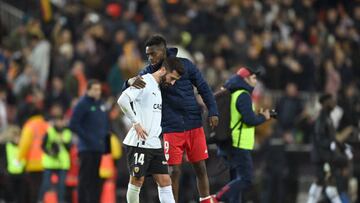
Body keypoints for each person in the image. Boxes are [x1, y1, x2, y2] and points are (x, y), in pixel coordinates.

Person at [124, 35, 219, 203]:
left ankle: (206, 200)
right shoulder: (149, 71)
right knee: (173, 171)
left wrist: (213, 110)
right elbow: (133, 87)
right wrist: (129, 82)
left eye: (153, 54)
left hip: (193, 123)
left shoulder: (186, 65)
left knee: (200, 167)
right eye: (148, 55)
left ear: (163, 51)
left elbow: (203, 87)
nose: (150, 58)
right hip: (170, 126)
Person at [118, 57, 184, 203]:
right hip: (139, 142)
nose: (172, 83)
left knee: (165, 180)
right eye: (172, 78)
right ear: (163, 70)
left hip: (154, 143)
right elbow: (122, 100)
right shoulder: (145, 82)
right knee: (137, 180)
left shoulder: (158, 87)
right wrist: (135, 122)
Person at [212, 67, 271, 203]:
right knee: (246, 178)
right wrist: (264, 117)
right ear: (245, 79)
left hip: (229, 142)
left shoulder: (233, 93)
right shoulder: (243, 95)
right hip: (238, 144)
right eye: (253, 77)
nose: (256, 80)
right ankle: (216, 198)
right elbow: (250, 120)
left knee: (235, 180)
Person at [69, 79, 110, 203]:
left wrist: (106, 144)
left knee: (95, 178)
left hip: (98, 147)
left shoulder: (101, 104)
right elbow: (73, 124)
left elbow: (105, 125)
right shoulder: (82, 104)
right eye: (95, 89)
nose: (98, 92)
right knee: (85, 178)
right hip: (86, 148)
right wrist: (86, 137)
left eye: (99, 90)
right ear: (88, 90)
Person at [307, 94, 342, 203]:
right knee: (322, 181)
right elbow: (319, 137)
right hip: (321, 157)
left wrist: (341, 146)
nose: (333, 103)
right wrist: (330, 144)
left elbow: (331, 137)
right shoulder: (322, 117)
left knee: (325, 181)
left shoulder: (328, 117)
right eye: (331, 101)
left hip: (325, 156)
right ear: (325, 103)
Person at [38, 112, 72, 203]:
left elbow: (69, 147)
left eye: (61, 120)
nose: (60, 123)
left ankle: (61, 201)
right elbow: (43, 145)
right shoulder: (50, 131)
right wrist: (50, 152)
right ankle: (40, 200)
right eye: (58, 120)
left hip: (62, 163)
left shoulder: (67, 132)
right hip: (50, 162)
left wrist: (62, 142)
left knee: (61, 186)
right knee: (46, 184)